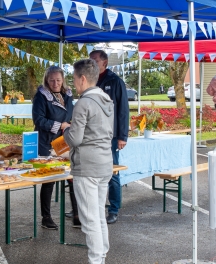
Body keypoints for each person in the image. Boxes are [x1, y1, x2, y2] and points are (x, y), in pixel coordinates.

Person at [61, 59, 114, 264]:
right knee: (99, 214)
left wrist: (66, 129)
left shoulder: (83, 102)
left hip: (87, 167)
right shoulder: (106, 100)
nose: (73, 84)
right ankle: (101, 256)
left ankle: (95, 260)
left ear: (83, 79)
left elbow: (75, 139)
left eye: (74, 79)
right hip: (104, 163)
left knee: (89, 219)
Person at [32, 66, 77, 229]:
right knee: (49, 179)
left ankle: (77, 214)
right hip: (46, 143)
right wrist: (60, 125)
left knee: (73, 178)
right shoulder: (41, 96)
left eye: (58, 80)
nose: (55, 83)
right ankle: (46, 217)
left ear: (63, 80)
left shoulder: (68, 95)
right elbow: (38, 120)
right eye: (52, 80)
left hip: (64, 142)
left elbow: (71, 115)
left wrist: (72, 124)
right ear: (47, 80)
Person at [89, 50, 129, 224]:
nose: (92, 63)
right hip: (91, 134)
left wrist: (122, 136)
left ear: (104, 62)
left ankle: (113, 209)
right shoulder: (88, 80)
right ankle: (89, 208)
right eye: (89, 60)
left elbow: (123, 110)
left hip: (110, 136)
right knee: (90, 172)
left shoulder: (115, 81)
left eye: (95, 60)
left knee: (111, 172)